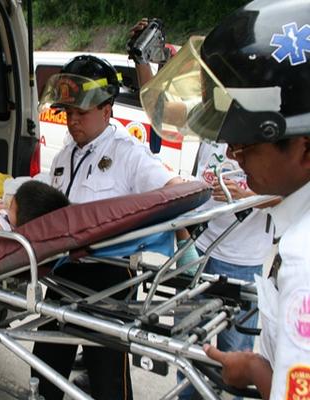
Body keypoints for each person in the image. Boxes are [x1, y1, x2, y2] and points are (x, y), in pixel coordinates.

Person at [138, 0, 310, 398]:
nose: (232, 154)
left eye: (246, 143)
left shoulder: (301, 257)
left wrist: (252, 368)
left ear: (304, 149)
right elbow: (165, 108)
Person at [31, 54, 185, 400]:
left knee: (108, 378)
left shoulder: (129, 154)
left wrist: (187, 225)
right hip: (65, 271)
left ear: (107, 109)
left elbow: (170, 187)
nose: (72, 121)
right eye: (68, 113)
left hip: (111, 278)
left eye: (80, 113)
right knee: (46, 366)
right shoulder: (64, 155)